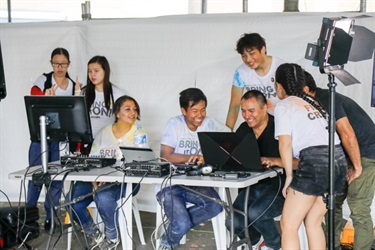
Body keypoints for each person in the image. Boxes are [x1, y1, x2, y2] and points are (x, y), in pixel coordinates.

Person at [273, 63, 347, 249]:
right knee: (313, 221)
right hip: (337, 160)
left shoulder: (284, 105)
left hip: (315, 162)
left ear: (279, 86)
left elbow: (285, 144)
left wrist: (289, 176)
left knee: (288, 225)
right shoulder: (313, 103)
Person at [303, 72, 375, 250]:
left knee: (358, 207)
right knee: (331, 204)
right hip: (344, 156)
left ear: (305, 89)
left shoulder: (327, 99)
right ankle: (331, 246)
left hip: (366, 154)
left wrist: (357, 168)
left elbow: (347, 134)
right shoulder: (312, 104)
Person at [156, 88, 230, 250]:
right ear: (183, 111)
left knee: (216, 205)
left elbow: (230, 139)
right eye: (194, 110)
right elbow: (165, 156)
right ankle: (169, 240)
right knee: (181, 223)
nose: (200, 115)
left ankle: (174, 228)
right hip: (170, 183)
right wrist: (192, 158)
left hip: (197, 183)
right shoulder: (174, 124)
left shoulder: (210, 123)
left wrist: (212, 155)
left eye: (203, 110)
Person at [225, 90, 299, 250]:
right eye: (243, 111)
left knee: (256, 213)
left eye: (251, 111)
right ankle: (255, 241)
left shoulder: (280, 127)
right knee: (232, 220)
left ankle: (274, 245)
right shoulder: (244, 129)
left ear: (265, 108)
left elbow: (299, 163)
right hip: (251, 187)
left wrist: (274, 160)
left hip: (279, 187)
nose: (246, 115)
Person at [68, 95, 141, 250]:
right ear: (117, 113)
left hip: (125, 181)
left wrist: (109, 180)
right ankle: (94, 234)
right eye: (127, 109)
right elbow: (94, 160)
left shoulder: (139, 133)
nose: (133, 112)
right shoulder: (103, 132)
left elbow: (140, 163)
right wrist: (95, 181)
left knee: (103, 196)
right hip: (96, 178)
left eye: (135, 109)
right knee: (72, 201)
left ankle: (112, 237)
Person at [27, 47, 80, 231]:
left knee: (56, 180)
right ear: (51, 63)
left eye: (63, 64)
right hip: (40, 139)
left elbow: (75, 114)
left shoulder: (73, 85)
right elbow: (32, 96)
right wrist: (45, 96)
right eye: (56, 63)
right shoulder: (44, 80)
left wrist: (78, 96)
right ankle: (29, 220)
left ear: (68, 64)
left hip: (61, 140)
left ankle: (51, 220)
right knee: (36, 177)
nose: (59, 67)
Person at [225, 33, 285, 131]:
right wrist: (226, 133)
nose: (248, 59)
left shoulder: (281, 67)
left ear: (263, 49)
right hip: (258, 122)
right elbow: (234, 106)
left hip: (281, 121)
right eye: (244, 56)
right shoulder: (241, 72)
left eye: (252, 53)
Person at [79, 55, 125, 155]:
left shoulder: (118, 94)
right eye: (90, 71)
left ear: (105, 71)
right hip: (89, 143)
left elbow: (124, 122)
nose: (92, 75)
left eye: (96, 71)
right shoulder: (83, 93)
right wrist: (76, 94)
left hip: (110, 143)